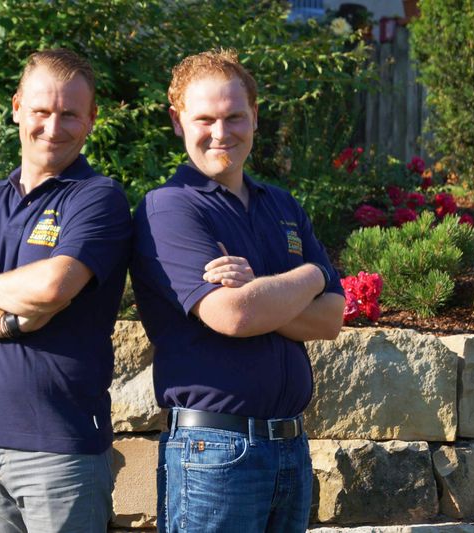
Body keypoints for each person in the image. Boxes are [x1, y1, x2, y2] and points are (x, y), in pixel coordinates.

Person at [0, 48, 131, 533]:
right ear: (16, 108)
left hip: (62, 448)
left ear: (91, 119)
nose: (53, 127)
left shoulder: (98, 198)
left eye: (70, 114)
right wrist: (8, 321)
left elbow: (54, 287)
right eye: (41, 110)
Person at [130, 49, 345, 532]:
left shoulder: (281, 205)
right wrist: (314, 274)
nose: (221, 133)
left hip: (290, 447)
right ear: (177, 121)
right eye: (204, 119)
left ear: (255, 117)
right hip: (215, 453)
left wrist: (258, 291)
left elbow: (331, 318)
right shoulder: (169, 209)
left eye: (234, 117)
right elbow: (233, 316)